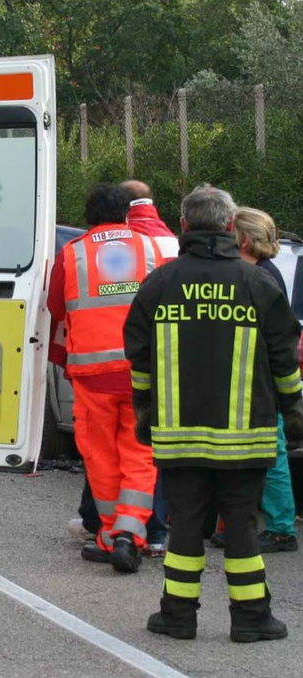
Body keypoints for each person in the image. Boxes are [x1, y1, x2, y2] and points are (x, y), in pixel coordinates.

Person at [125, 184, 303, 643]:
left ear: (184, 225)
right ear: (230, 227)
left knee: (185, 525)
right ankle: (252, 619)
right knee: (242, 527)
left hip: (179, 437)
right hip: (246, 438)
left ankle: (177, 616)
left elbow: (139, 360)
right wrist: (295, 416)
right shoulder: (258, 283)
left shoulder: (160, 284)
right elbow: (286, 363)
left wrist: (144, 414)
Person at [48, 184, 166, 573]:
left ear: (87, 216)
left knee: (99, 454)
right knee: (139, 453)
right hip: (141, 371)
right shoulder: (151, 249)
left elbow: (55, 307)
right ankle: (131, 537)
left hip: (92, 374)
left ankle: (111, 533)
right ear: (128, 213)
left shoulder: (72, 253)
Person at [224, 207, 296, 553]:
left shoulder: (262, 277)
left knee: (273, 453)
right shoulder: (262, 272)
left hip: (260, 381)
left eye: (231, 232)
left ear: (245, 240)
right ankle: (239, 521)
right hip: (251, 379)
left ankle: (282, 528)